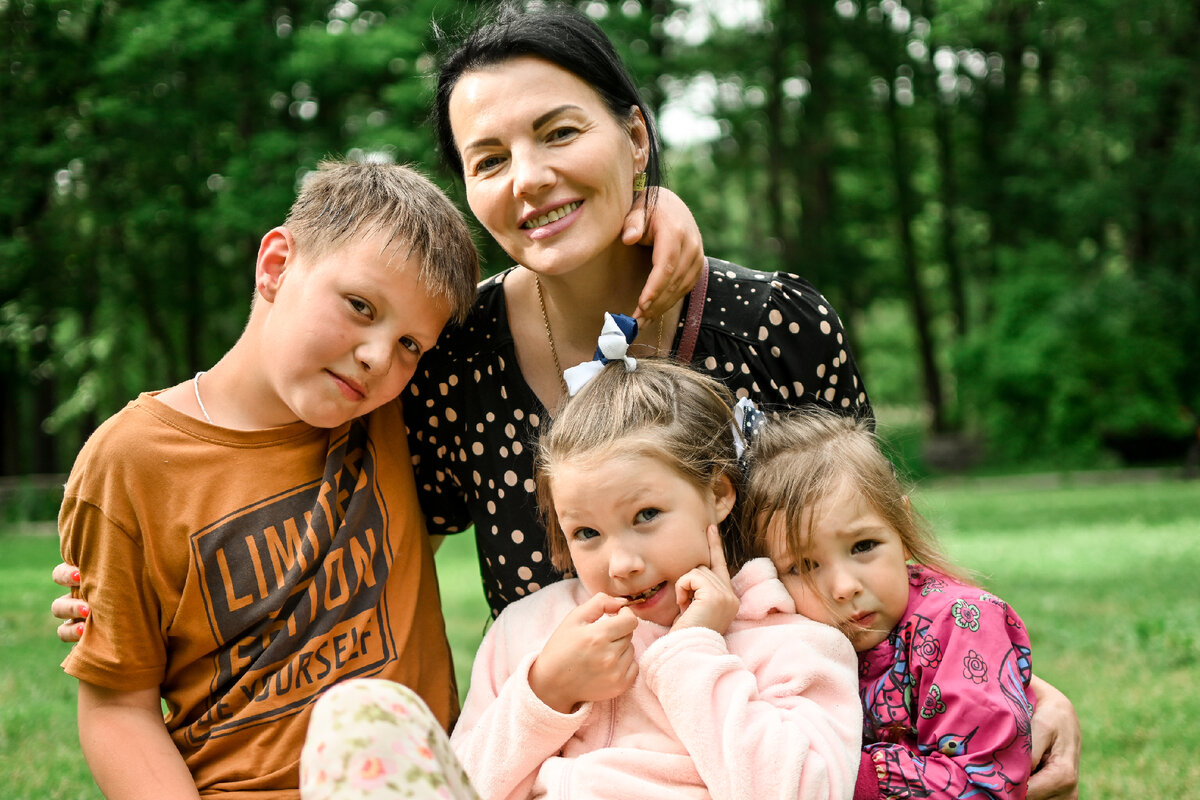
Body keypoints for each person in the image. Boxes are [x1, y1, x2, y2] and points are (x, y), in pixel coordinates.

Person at [51, 2, 1081, 795]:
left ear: (636, 134)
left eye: (559, 132)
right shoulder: (445, 361)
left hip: (769, 734)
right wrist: (131, 537)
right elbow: (294, 427)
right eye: (490, 159)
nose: (529, 176)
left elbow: (875, 535)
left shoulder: (779, 322)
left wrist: (1001, 680)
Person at [56, 159, 480, 798]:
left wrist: (652, 211)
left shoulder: (393, 413)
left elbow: (550, 292)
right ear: (277, 266)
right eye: (361, 306)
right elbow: (119, 707)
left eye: (410, 345)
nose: (376, 356)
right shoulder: (131, 462)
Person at [299, 332, 863, 800]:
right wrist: (547, 691)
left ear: (717, 492)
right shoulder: (530, 631)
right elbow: (459, 785)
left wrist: (693, 653)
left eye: (646, 515)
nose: (620, 563)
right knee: (356, 713)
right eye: (587, 533)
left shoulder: (791, 643)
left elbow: (802, 792)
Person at [741, 408, 1038, 800]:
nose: (844, 588)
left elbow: (981, 781)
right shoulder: (787, 646)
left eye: (863, 546)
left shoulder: (961, 625)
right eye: (804, 566)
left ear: (901, 526)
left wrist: (842, 777)